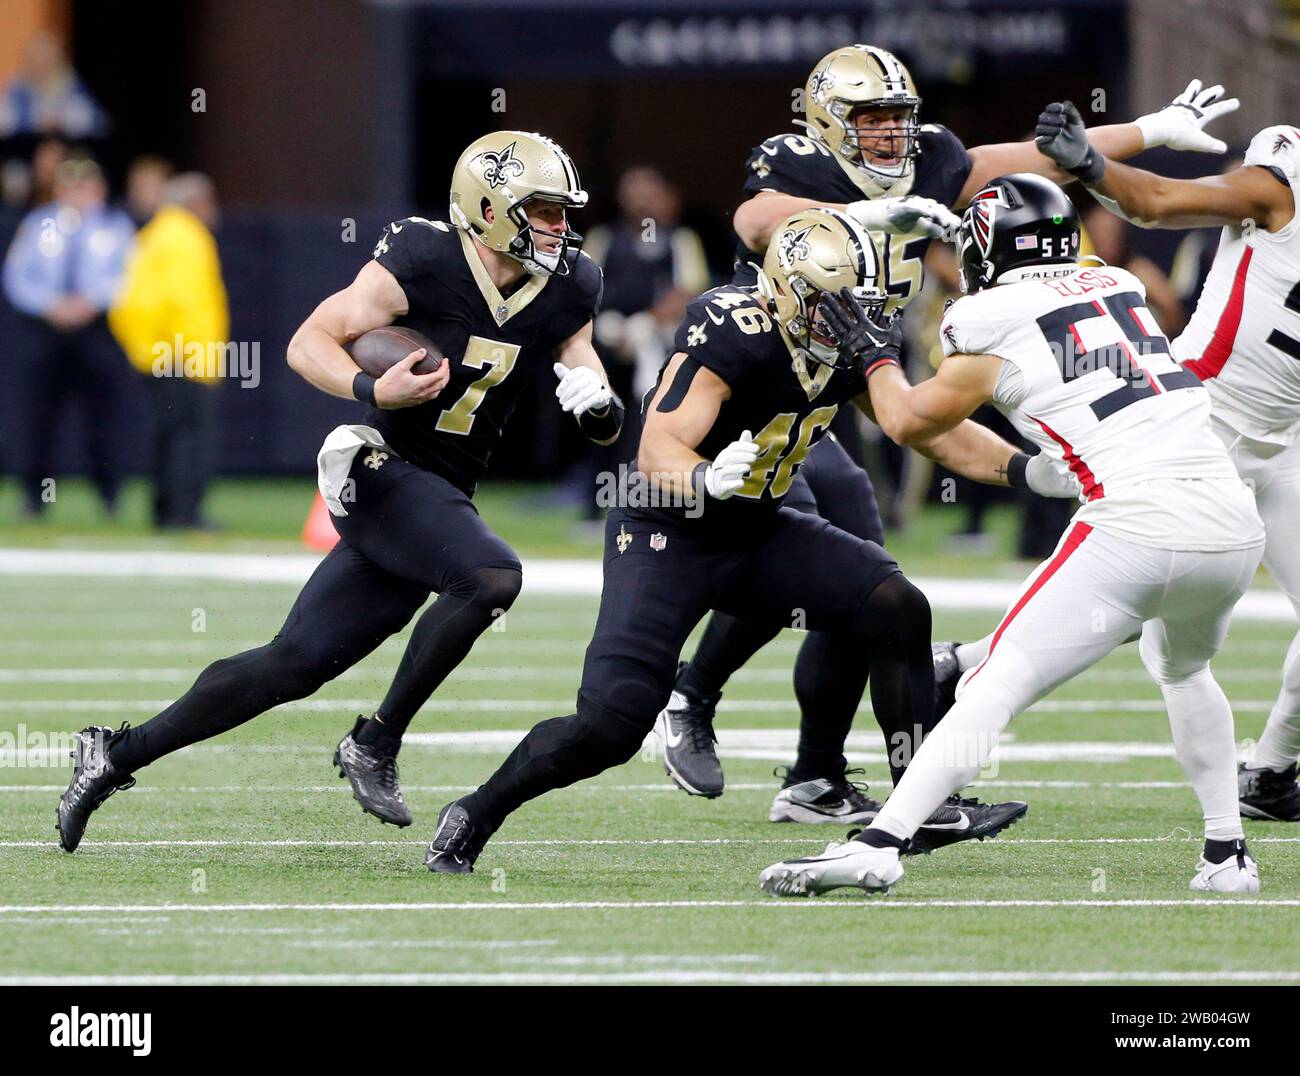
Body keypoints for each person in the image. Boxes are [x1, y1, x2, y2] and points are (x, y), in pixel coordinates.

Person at [655, 43, 1235, 820]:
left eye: (900, 117)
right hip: (760, 378)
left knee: (864, 575)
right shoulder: (794, 162)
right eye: (872, 119)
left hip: (841, 377)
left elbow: (1037, 157)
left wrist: (1152, 127)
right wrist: (865, 215)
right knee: (806, 548)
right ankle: (691, 698)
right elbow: (755, 222)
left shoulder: (930, 160)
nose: (893, 134)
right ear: (828, 120)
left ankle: (814, 777)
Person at [421, 208, 1087, 876]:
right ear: (791, 290)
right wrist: (706, 477)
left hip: (757, 527)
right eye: (838, 304)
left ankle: (922, 801)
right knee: (610, 727)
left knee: (895, 605)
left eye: (860, 302)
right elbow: (657, 452)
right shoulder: (734, 329)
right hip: (668, 530)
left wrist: (1026, 470)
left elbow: (919, 427)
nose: (852, 321)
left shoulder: (839, 338)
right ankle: (475, 812)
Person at [56, 131, 620, 851]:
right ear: (488, 207)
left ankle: (113, 755)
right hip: (378, 465)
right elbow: (307, 342)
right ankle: (376, 742)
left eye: (562, 211)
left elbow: (595, 395)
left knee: (293, 663)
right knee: (491, 576)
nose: (558, 227)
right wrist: (368, 386)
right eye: (542, 210)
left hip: (437, 499)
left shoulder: (571, 284)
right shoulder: (424, 256)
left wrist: (598, 406)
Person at [760, 174, 1266, 897]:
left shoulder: (988, 315)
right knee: (1184, 670)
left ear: (989, 248)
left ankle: (879, 843)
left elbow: (908, 421)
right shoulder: (1116, 284)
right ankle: (1226, 856)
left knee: (991, 685)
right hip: (1229, 522)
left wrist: (872, 356)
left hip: (1133, 522)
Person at [969, 103, 1300, 823]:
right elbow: (1158, 202)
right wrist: (1091, 164)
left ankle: (1270, 771)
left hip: (1288, 438)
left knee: (1144, 608)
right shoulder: (1284, 176)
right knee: (1135, 603)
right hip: (1201, 418)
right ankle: (965, 669)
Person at [2, 153, 135, 516]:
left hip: (98, 328)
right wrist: (51, 305)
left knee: (104, 414)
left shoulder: (114, 226)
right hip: (46, 330)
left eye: (85, 185)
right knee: (38, 414)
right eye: (70, 185)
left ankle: (110, 494)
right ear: (58, 189)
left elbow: (129, 273)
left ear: (100, 188)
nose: (78, 193)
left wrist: (91, 302)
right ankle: (34, 495)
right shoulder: (40, 224)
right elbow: (17, 276)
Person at [110, 172, 228, 529]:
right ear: (196, 202)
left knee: (169, 433)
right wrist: (192, 355)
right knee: (188, 437)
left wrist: (145, 348)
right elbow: (183, 300)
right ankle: (183, 512)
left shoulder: (154, 233)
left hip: (159, 353)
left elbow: (128, 300)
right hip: (183, 354)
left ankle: (165, 510)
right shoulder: (186, 237)